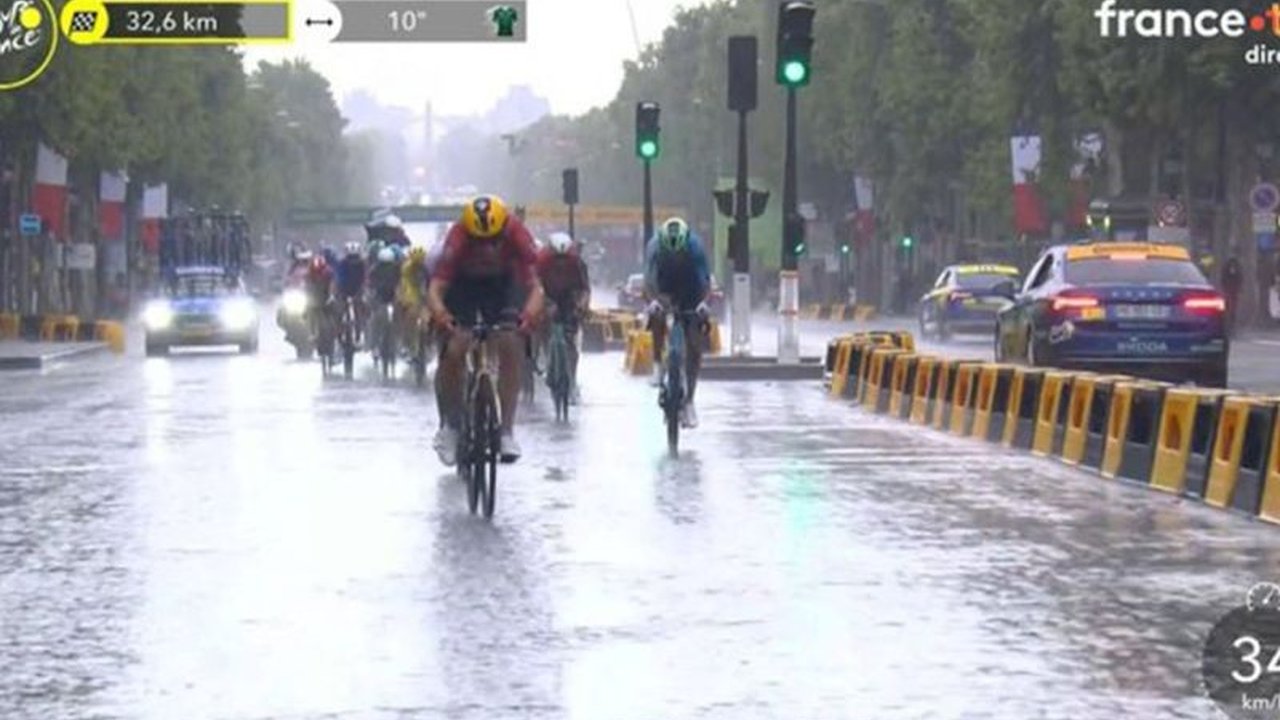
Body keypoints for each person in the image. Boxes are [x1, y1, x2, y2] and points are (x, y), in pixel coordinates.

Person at [427, 194, 544, 464]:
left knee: (511, 344)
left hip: (503, 287)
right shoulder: (457, 237)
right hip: (462, 286)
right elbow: (436, 288)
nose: (486, 249)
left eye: (493, 242)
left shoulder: (516, 234)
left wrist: (528, 316)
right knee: (454, 348)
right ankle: (451, 426)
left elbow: (536, 288)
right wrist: (442, 316)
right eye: (478, 243)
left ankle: (506, 431)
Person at [644, 217, 711, 429]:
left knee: (694, 342)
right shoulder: (655, 248)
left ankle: (690, 400)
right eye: (671, 254)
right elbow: (648, 282)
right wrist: (653, 302)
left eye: (678, 254)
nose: (675, 257)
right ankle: (657, 364)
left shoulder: (695, 248)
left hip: (691, 289)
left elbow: (705, 283)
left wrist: (703, 304)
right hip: (664, 286)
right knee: (656, 316)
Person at [535, 231, 591, 403]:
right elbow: (535, 286)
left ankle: (572, 381)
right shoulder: (541, 261)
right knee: (543, 322)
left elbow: (585, 289)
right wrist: (544, 304)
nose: (560, 263)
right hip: (548, 294)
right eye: (557, 259)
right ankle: (546, 356)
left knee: (570, 340)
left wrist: (581, 306)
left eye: (564, 259)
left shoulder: (577, 263)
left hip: (569, 297)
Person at [334, 241, 368, 343]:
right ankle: (338, 333)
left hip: (357, 291)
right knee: (339, 311)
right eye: (351, 257)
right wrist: (338, 290)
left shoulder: (362, 264)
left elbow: (365, 278)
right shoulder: (342, 264)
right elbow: (338, 278)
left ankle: (362, 331)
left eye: (355, 257)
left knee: (362, 309)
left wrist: (363, 290)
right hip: (343, 291)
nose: (353, 260)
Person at [1222, 254, 1243, 336]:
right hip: (1230, 290)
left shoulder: (1236, 269)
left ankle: (1231, 326)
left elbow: (1240, 279)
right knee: (1229, 308)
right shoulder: (1230, 269)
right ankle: (1228, 326)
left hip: (1233, 290)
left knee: (1232, 309)